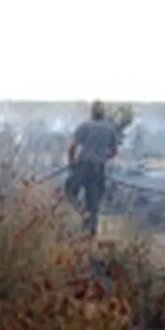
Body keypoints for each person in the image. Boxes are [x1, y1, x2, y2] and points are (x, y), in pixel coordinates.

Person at [64, 100, 119, 236]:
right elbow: (113, 152)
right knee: (93, 202)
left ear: (92, 112)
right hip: (99, 169)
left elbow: (72, 146)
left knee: (70, 190)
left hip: (84, 165)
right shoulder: (109, 129)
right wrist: (102, 157)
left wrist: (71, 163)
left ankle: (83, 213)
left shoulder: (85, 126)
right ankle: (90, 236)